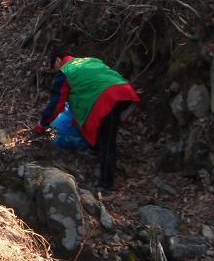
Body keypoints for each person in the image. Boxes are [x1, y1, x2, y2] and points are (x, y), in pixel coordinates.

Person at [35, 49, 141, 193]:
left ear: (58, 61)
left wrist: (42, 124)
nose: (56, 70)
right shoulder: (90, 60)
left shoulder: (65, 71)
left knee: (107, 142)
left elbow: (56, 105)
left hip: (107, 99)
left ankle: (106, 185)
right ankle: (99, 155)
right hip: (125, 92)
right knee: (106, 135)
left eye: (54, 66)